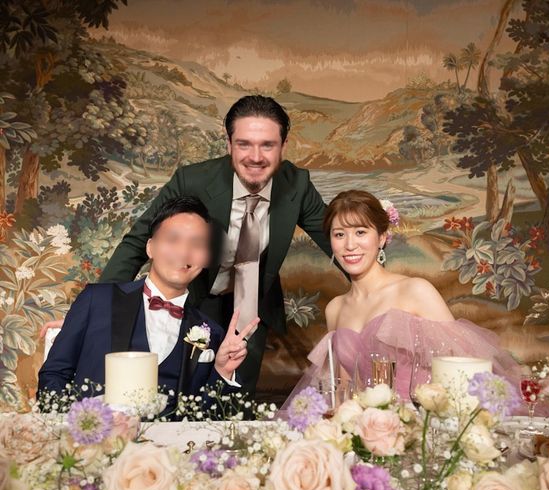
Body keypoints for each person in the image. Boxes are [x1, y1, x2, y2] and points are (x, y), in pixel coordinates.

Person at [41, 95, 333, 400]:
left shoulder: (297, 185)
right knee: (182, 393)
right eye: (244, 144)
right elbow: (140, 240)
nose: (255, 157)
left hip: (251, 308)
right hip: (196, 299)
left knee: (235, 397)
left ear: (284, 146)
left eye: (267, 145)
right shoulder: (193, 180)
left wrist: (368, 295)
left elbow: (338, 241)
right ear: (229, 144)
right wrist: (97, 312)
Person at [281, 190, 520, 407]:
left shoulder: (415, 291)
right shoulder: (335, 308)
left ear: (381, 237)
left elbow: (461, 370)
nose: (350, 245)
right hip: (364, 428)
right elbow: (343, 389)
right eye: (339, 234)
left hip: (418, 424)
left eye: (360, 232)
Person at [38, 197, 258, 412]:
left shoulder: (213, 333)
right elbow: (54, 375)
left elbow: (204, 418)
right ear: (150, 247)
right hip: (95, 433)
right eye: (173, 239)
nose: (184, 252)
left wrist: (222, 371)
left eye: (196, 244)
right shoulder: (96, 300)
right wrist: (81, 427)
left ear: (207, 257)